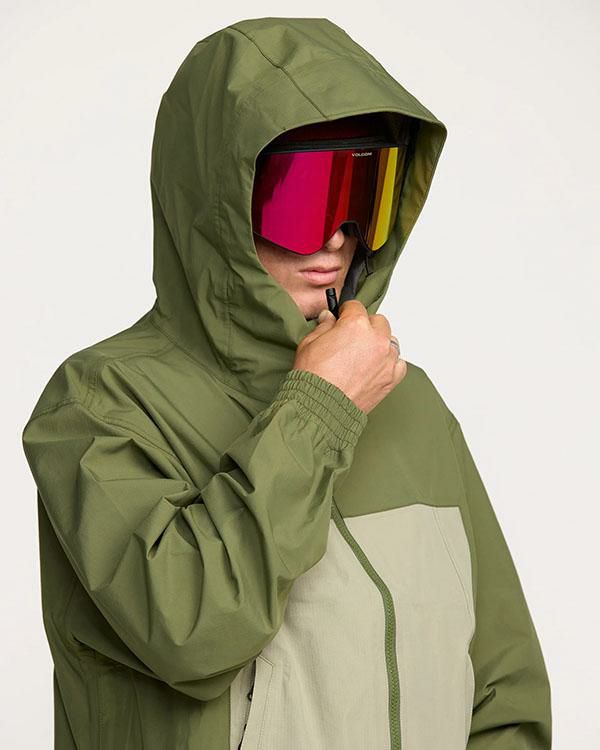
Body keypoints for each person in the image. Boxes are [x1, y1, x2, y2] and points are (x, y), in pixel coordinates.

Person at [21, 16, 552, 750]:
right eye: (302, 199)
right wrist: (319, 411)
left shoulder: (410, 402)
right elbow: (193, 630)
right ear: (217, 205)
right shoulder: (100, 404)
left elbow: (502, 689)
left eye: (362, 194)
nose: (337, 237)